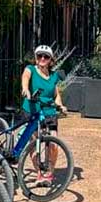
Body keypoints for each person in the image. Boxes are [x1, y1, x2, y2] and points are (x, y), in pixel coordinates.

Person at [21, 45, 68, 184]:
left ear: (51, 60)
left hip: (49, 111)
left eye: (46, 56)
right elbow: (25, 78)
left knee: (53, 143)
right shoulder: (30, 70)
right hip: (32, 109)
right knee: (33, 142)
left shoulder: (54, 76)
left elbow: (56, 94)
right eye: (39, 56)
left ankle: (49, 173)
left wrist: (60, 105)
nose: (42, 58)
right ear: (35, 58)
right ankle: (39, 173)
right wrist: (25, 90)